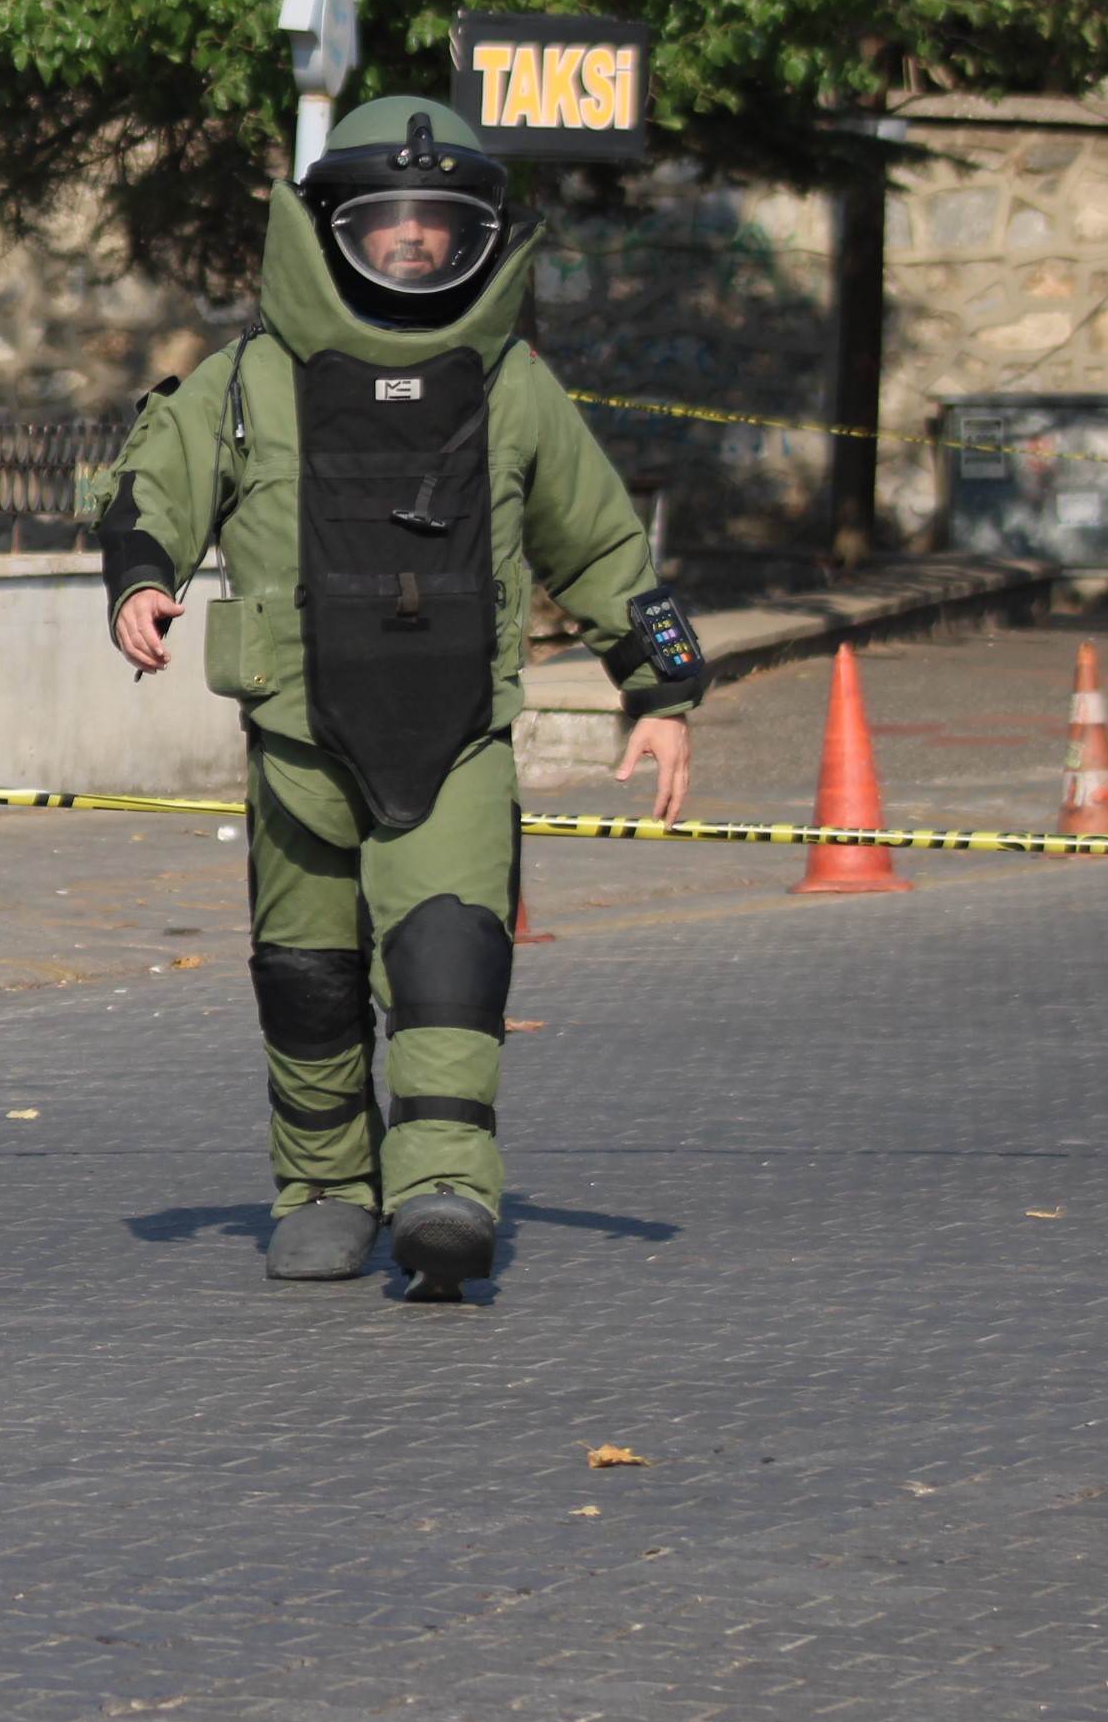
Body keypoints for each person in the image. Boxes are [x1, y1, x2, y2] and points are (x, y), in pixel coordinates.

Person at [90, 93, 704, 1298]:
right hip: (296, 736)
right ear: (331, 229)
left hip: (458, 734)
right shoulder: (252, 378)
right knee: (306, 978)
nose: (413, 244)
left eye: (438, 224)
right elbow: (152, 481)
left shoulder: (512, 384)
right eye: (387, 223)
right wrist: (140, 580)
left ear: (479, 237)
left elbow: (600, 545)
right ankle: (321, 1186)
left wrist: (663, 690)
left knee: (448, 963)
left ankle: (445, 1191)